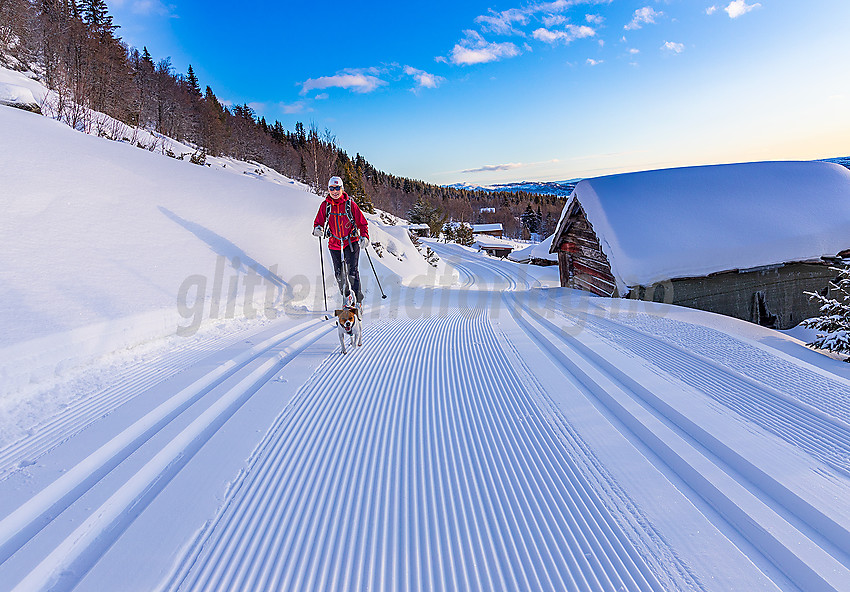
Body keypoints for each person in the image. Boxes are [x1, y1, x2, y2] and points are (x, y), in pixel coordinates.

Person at [313, 176, 370, 310]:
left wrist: (365, 237)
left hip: (351, 242)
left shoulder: (350, 204)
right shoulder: (325, 205)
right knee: (339, 274)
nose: (335, 191)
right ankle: (346, 296)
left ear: (342, 188)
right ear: (328, 190)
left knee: (352, 272)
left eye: (337, 188)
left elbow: (362, 223)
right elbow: (318, 222)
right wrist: (317, 229)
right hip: (334, 243)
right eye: (332, 189)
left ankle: (358, 299)